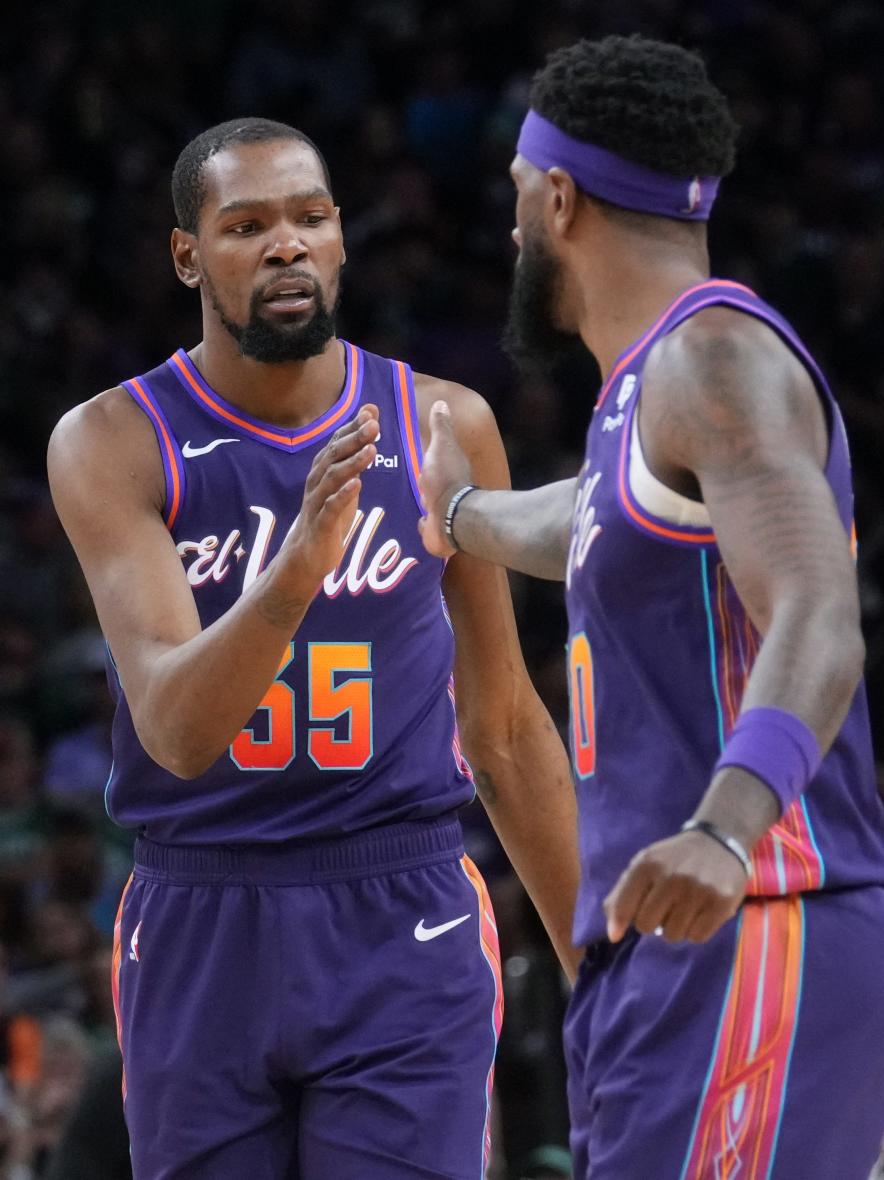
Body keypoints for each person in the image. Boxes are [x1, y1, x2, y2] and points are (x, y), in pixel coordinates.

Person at [417, 34, 884, 1180]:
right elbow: (589, 519)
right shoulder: (647, 388)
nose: (508, 231)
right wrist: (459, 517)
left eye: (513, 198)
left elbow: (817, 607)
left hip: (763, 912)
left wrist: (724, 826)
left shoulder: (715, 358)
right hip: (677, 949)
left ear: (558, 198)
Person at [47, 117, 580, 1179]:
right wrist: (294, 573)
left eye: (310, 217)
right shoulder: (111, 440)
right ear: (187, 255)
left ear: (341, 240)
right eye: (245, 225)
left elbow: (508, 721)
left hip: (401, 905)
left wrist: (598, 966)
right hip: (200, 907)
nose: (285, 244)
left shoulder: (442, 422)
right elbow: (179, 729)